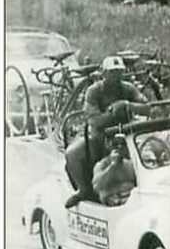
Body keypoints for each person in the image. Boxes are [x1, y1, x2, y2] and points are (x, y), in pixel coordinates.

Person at [65, 56, 153, 207]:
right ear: (104, 74)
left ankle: (146, 189)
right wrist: (113, 113)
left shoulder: (128, 88)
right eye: (112, 73)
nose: (116, 77)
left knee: (150, 151)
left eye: (119, 72)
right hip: (99, 136)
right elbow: (94, 120)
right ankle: (83, 190)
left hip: (127, 134)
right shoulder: (93, 91)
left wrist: (126, 104)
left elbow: (148, 108)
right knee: (72, 153)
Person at [91, 133, 137, 206]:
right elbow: (97, 186)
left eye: (123, 144)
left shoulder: (131, 164)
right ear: (109, 146)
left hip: (131, 200)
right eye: (115, 145)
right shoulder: (101, 165)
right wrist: (113, 166)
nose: (119, 147)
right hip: (112, 202)